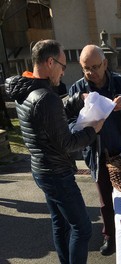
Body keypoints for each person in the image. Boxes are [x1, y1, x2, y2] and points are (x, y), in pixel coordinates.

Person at [5, 39, 104, 264]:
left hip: (42, 169)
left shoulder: (25, 89)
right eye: (62, 65)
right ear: (50, 62)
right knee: (82, 228)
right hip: (57, 173)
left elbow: (50, 118)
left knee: (60, 223)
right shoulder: (45, 97)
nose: (63, 71)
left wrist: (78, 99)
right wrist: (93, 130)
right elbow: (67, 143)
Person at [69, 44, 121, 256]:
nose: (90, 73)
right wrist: (81, 123)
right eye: (86, 68)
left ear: (105, 64)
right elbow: (68, 122)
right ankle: (110, 237)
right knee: (106, 200)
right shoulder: (78, 90)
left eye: (95, 67)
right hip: (99, 154)